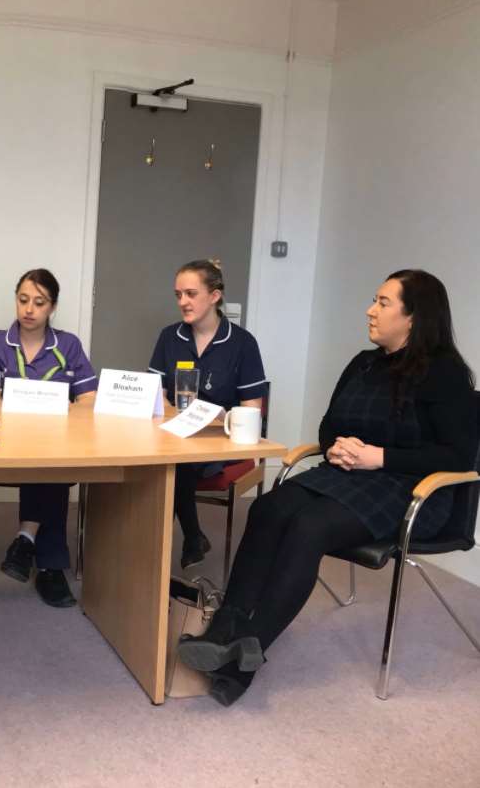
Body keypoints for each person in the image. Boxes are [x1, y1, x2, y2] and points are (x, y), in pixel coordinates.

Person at [177, 269, 477, 706]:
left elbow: (457, 456)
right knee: (268, 509)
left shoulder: (444, 374)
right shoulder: (364, 362)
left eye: (383, 303)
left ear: (413, 317)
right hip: (349, 474)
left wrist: (379, 457)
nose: (370, 310)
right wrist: (339, 447)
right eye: (374, 300)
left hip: (413, 489)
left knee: (308, 526)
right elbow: (329, 424)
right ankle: (227, 625)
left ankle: (248, 652)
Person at [0, 269, 96, 607]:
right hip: (7, 440)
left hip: (56, 440)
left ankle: (25, 541)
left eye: (38, 303)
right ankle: (50, 568)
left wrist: (65, 415)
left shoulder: (68, 345)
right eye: (23, 300)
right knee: (48, 466)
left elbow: (88, 398)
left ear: (51, 307)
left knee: (51, 461)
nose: (29, 309)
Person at [148, 259, 266, 569]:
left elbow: (253, 407)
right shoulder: (169, 337)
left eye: (190, 293)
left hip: (220, 440)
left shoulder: (242, 343)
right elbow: (157, 395)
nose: (182, 302)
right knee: (170, 460)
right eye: (178, 295)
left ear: (214, 296)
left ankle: (161, 550)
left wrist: (224, 423)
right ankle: (189, 538)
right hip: (175, 436)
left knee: (176, 466)